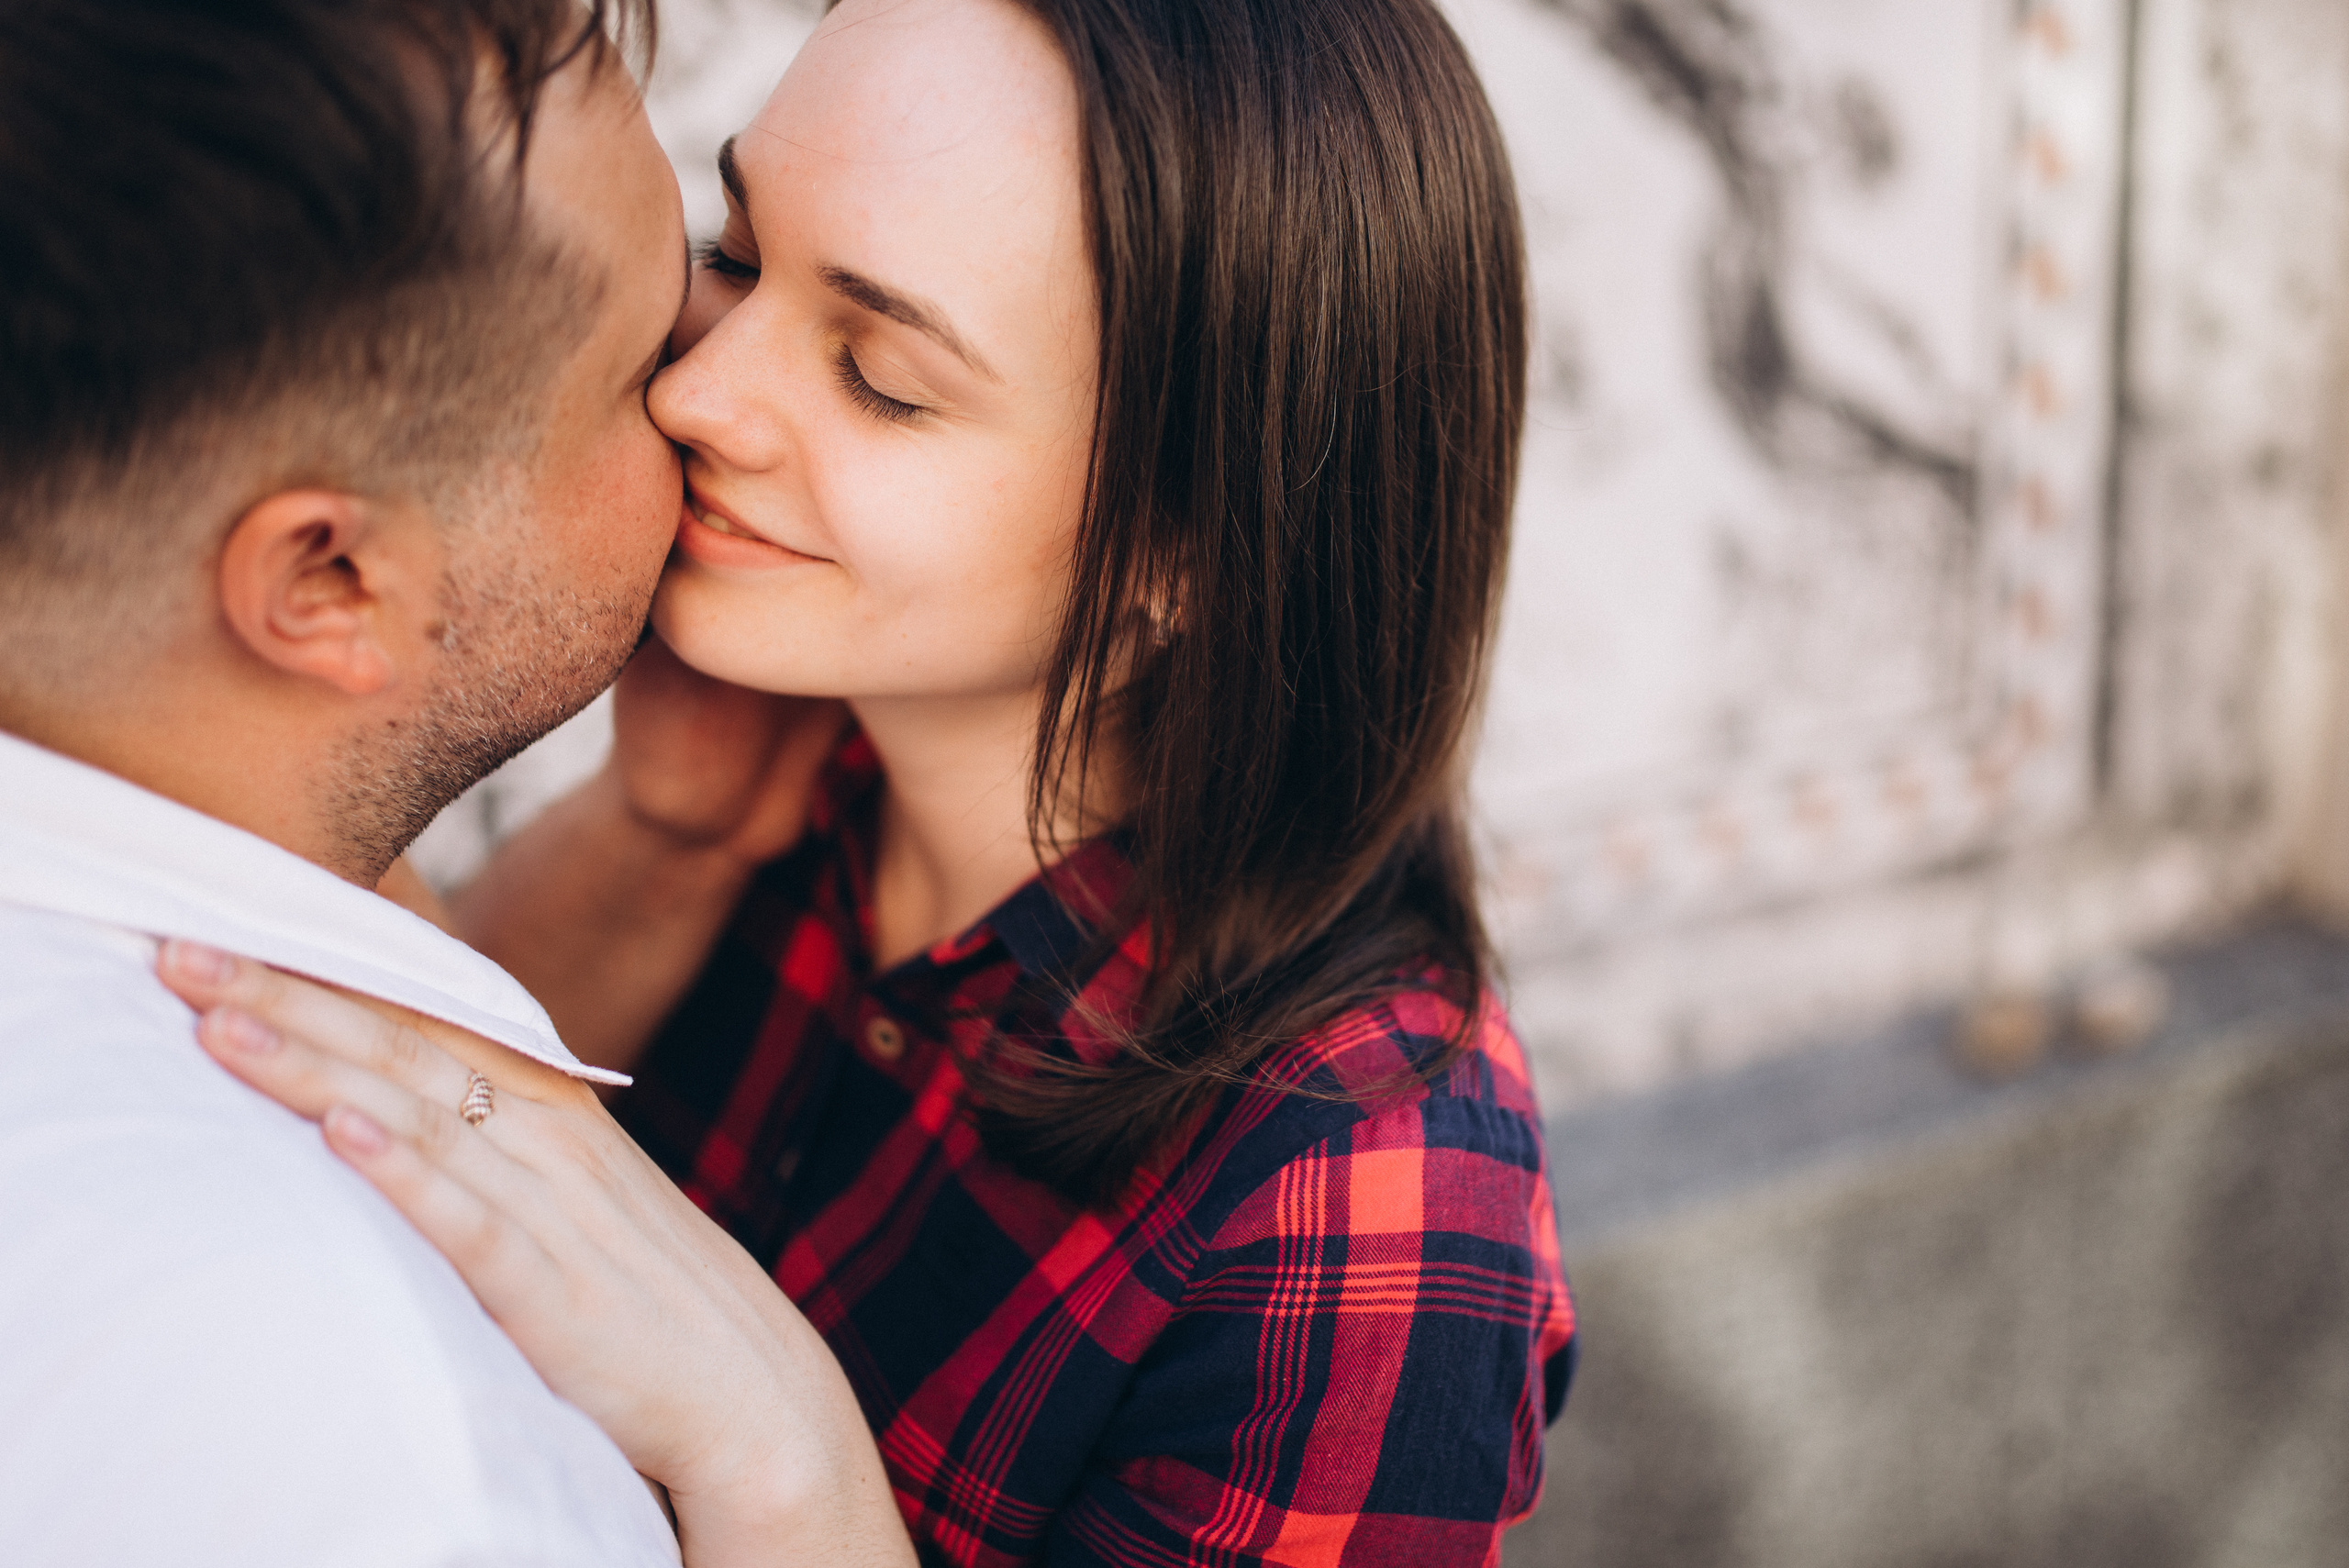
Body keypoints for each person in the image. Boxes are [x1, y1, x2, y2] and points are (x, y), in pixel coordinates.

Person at [158, 0, 1577, 1562]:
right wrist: (662, 835)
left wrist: (780, 1450)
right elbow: (432, 1140)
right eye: (743, 255)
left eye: (883, 376)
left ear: (1195, 538)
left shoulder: (1362, 1202)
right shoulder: (792, 751)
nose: (699, 394)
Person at [0, 0, 777, 1561]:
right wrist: (794, 1467)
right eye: (641, 363)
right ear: (334, 577)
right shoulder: (387, 1432)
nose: (719, 384)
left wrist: (657, 840)